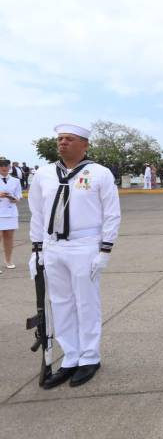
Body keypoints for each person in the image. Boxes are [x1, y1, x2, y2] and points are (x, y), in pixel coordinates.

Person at [27, 124, 121, 388]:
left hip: (85, 245)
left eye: (69, 139)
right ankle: (70, 356)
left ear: (85, 144)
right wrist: (36, 250)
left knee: (86, 303)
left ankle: (90, 357)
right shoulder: (44, 174)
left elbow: (112, 214)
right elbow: (37, 213)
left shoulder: (99, 174)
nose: (63, 143)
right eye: (60, 139)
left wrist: (105, 250)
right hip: (53, 246)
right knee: (60, 303)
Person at [0, 156, 22, 271]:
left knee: (9, 237)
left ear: (9, 167)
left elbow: (19, 196)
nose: (4, 168)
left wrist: (14, 198)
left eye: (6, 165)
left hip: (11, 211)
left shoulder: (16, 180)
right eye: (1, 165)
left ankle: (8, 260)